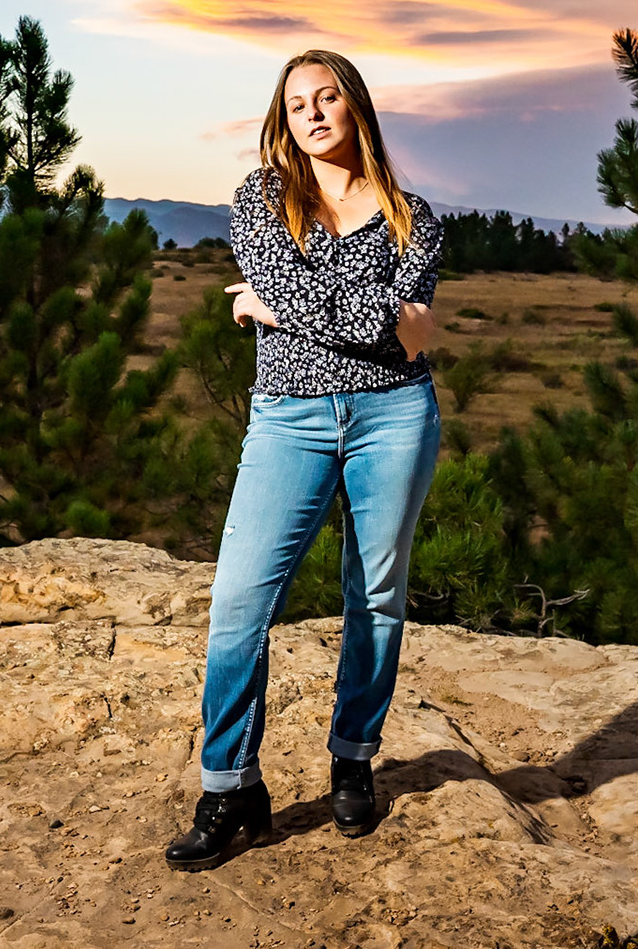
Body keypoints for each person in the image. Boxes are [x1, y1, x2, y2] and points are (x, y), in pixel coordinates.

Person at [164, 49, 444, 872]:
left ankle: (353, 757)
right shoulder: (261, 197)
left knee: (379, 593)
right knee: (240, 600)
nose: (314, 114)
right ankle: (230, 788)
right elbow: (378, 322)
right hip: (289, 418)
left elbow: (345, 315)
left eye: (328, 98)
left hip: (395, 416)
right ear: (283, 120)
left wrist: (273, 305)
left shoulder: (413, 218)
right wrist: (387, 318)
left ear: (356, 106)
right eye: (297, 105)